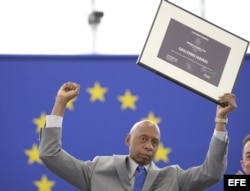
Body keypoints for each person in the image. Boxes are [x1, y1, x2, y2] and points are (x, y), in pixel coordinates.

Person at [39, 82, 237, 191]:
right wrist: (60, 104)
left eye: (155, 142)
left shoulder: (173, 179)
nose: (149, 146)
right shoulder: (97, 170)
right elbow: (50, 155)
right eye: (143, 139)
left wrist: (221, 120)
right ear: (128, 140)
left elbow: (212, 173)